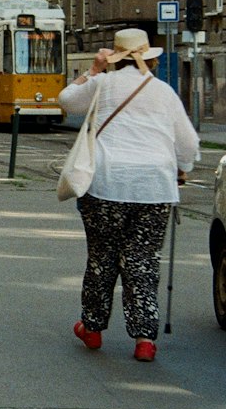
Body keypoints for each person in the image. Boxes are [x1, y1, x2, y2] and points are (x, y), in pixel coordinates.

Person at [58, 27, 199, 362]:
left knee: (102, 256)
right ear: (147, 55)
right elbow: (189, 144)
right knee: (143, 260)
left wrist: (92, 70)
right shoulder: (163, 92)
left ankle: (92, 329)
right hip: (154, 188)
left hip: (106, 184)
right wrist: (182, 168)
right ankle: (144, 339)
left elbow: (66, 101)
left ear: (115, 57)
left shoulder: (101, 84)